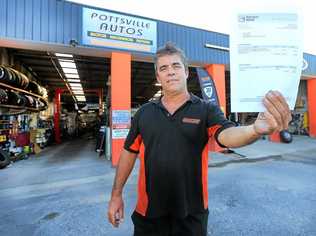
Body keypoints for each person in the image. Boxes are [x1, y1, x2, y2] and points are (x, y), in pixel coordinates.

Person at [107, 42, 291, 236]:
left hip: (191, 214)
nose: (170, 72)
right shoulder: (144, 113)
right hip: (149, 213)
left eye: (176, 66)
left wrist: (254, 130)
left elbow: (226, 135)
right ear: (158, 76)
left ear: (186, 72)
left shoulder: (206, 110)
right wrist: (116, 194)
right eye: (164, 68)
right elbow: (129, 152)